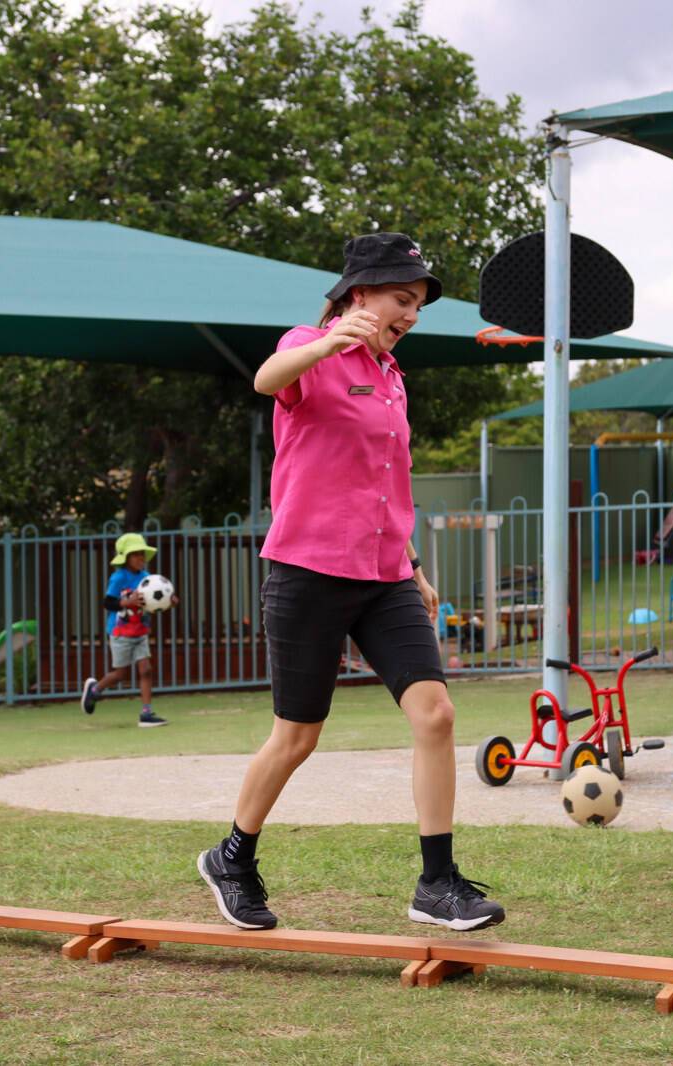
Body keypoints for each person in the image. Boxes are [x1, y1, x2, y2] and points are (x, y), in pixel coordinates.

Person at [197, 233, 505, 932]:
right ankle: (233, 859)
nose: (412, 316)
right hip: (306, 570)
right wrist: (329, 344)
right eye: (404, 300)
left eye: (418, 305)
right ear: (360, 293)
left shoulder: (393, 379)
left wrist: (416, 567)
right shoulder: (311, 347)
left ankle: (437, 883)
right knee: (297, 737)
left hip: (385, 574)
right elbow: (267, 379)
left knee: (436, 714)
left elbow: (382, 483)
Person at [80, 532, 171, 728]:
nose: (140, 558)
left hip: (141, 632)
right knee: (120, 674)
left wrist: (168, 601)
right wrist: (126, 601)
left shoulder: (148, 578)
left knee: (146, 670)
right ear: (125, 558)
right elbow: (108, 603)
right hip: (120, 633)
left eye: (142, 554)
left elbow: (154, 600)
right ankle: (95, 690)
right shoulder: (118, 577)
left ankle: (146, 713)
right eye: (135, 554)